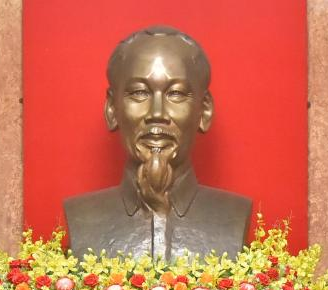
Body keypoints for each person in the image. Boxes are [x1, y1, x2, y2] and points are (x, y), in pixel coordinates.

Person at [64, 25, 251, 261]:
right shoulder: (82, 217)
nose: (157, 113)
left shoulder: (233, 215)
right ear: (112, 109)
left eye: (176, 94)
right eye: (139, 93)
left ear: (204, 110)